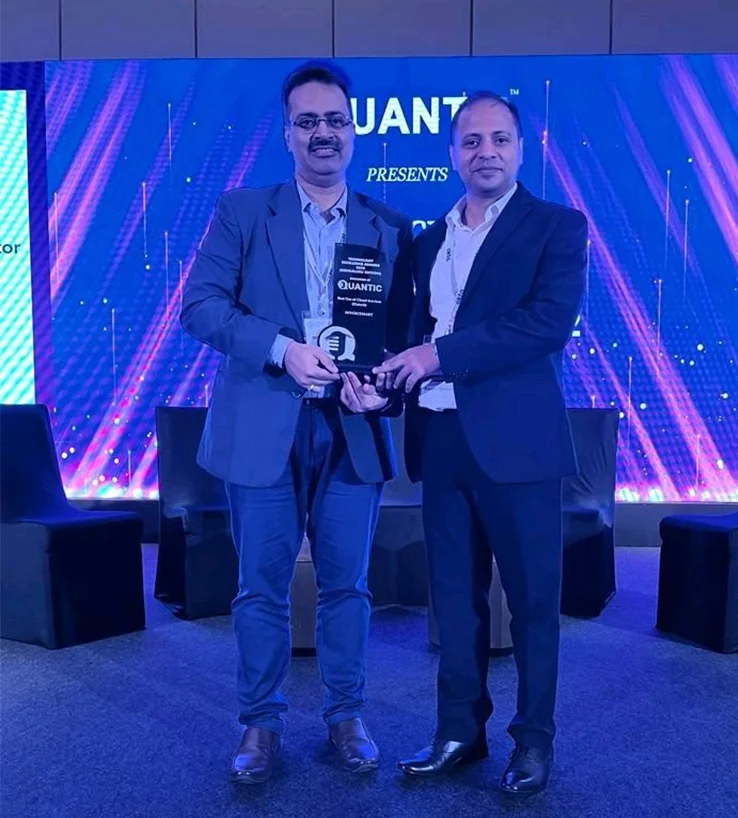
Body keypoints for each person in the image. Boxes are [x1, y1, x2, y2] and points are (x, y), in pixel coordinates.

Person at [180, 60, 414, 784]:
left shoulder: (390, 226)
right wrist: (282, 349)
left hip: (351, 431)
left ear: (353, 129)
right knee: (261, 587)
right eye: (307, 121)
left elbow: (402, 338)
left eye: (334, 120)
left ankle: (347, 717)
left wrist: (382, 392)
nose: (322, 133)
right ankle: (261, 723)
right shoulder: (243, 211)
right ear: (287, 133)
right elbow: (201, 307)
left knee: (348, 586)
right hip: (263, 424)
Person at [375, 91, 587, 796]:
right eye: (471, 141)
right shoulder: (426, 241)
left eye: (499, 139)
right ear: (452, 154)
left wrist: (437, 356)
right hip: (440, 438)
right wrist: (385, 381)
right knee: (453, 600)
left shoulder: (556, 226)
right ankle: (459, 732)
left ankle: (533, 743)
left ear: (521, 149)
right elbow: (412, 335)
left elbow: (546, 324)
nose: (485, 152)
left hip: (518, 446)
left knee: (532, 603)